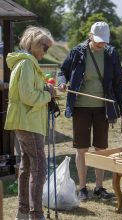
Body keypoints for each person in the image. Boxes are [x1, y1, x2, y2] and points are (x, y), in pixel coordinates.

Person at [58, 21, 122, 201]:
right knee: (82, 149)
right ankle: (82, 188)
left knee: (101, 148)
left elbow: (119, 83)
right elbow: (62, 71)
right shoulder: (78, 52)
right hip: (81, 106)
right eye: (98, 41)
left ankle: (99, 187)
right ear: (90, 36)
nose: (101, 44)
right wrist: (61, 83)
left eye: (104, 41)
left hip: (103, 108)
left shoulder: (111, 54)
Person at [4, 26, 55, 220]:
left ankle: (23, 213)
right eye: (45, 47)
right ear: (34, 44)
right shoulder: (26, 64)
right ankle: (36, 215)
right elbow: (27, 96)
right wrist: (47, 95)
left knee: (27, 166)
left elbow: (29, 91)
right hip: (28, 122)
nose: (46, 52)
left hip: (27, 121)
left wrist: (45, 90)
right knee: (39, 167)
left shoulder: (26, 63)